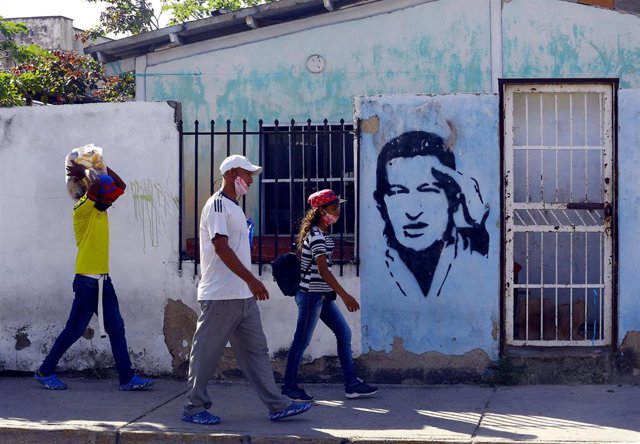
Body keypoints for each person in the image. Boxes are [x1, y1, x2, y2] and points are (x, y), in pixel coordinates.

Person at [181, 154, 312, 425]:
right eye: (247, 173)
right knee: (206, 354)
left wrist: (248, 285)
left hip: (242, 296)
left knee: (257, 353)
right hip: (220, 296)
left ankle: (277, 405)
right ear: (231, 175)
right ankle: (194, 408)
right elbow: (220, 246)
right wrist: (252, 280)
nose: (251, 179)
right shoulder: (217, 205)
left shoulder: (234, 208)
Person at [35, 162, 155, 391]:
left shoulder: (100, 209)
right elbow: (98, 184)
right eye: (105, 196)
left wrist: (101, 164)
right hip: (86, 282)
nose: (110, 200)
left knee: (117, 329)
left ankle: (127, 378)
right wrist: (87, 170)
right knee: (74, 330)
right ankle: (45, 370)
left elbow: (120, 186)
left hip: (103, 281)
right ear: (89, 192)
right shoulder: (82, 210)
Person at [282, 189, 378, 402]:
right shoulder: (316, 236)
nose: (338, 212)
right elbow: (323, 270)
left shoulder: (320, 234)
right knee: (301, 341)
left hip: (320, 296)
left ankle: (352, 384)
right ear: (321, 210)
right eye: (333, 208)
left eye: (338, 208)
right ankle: (289, 387)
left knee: (343, 333)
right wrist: (345, 296)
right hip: (310, 296)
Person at [373, 130, 490, 298]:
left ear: (452, 199)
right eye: (398, 192)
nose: (413, 211)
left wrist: (479, 229)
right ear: (381, 205)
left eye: (428, 190)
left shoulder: (473, 253)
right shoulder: (374, 262)